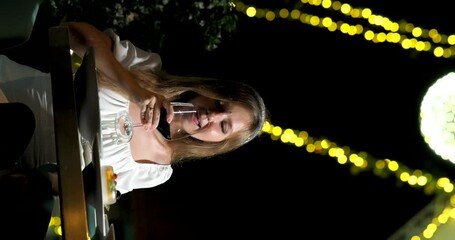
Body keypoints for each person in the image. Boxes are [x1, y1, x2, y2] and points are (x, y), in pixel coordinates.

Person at [0, 21, 268, 194]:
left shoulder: (156, 169)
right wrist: (134, 90)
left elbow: (85, 191)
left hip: (10, 160)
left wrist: (62, 185)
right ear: (211, 89)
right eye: (220, 103)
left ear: (219, 143)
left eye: (223, 126)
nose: (213, 115)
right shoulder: (148, 70)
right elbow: (71, 33)